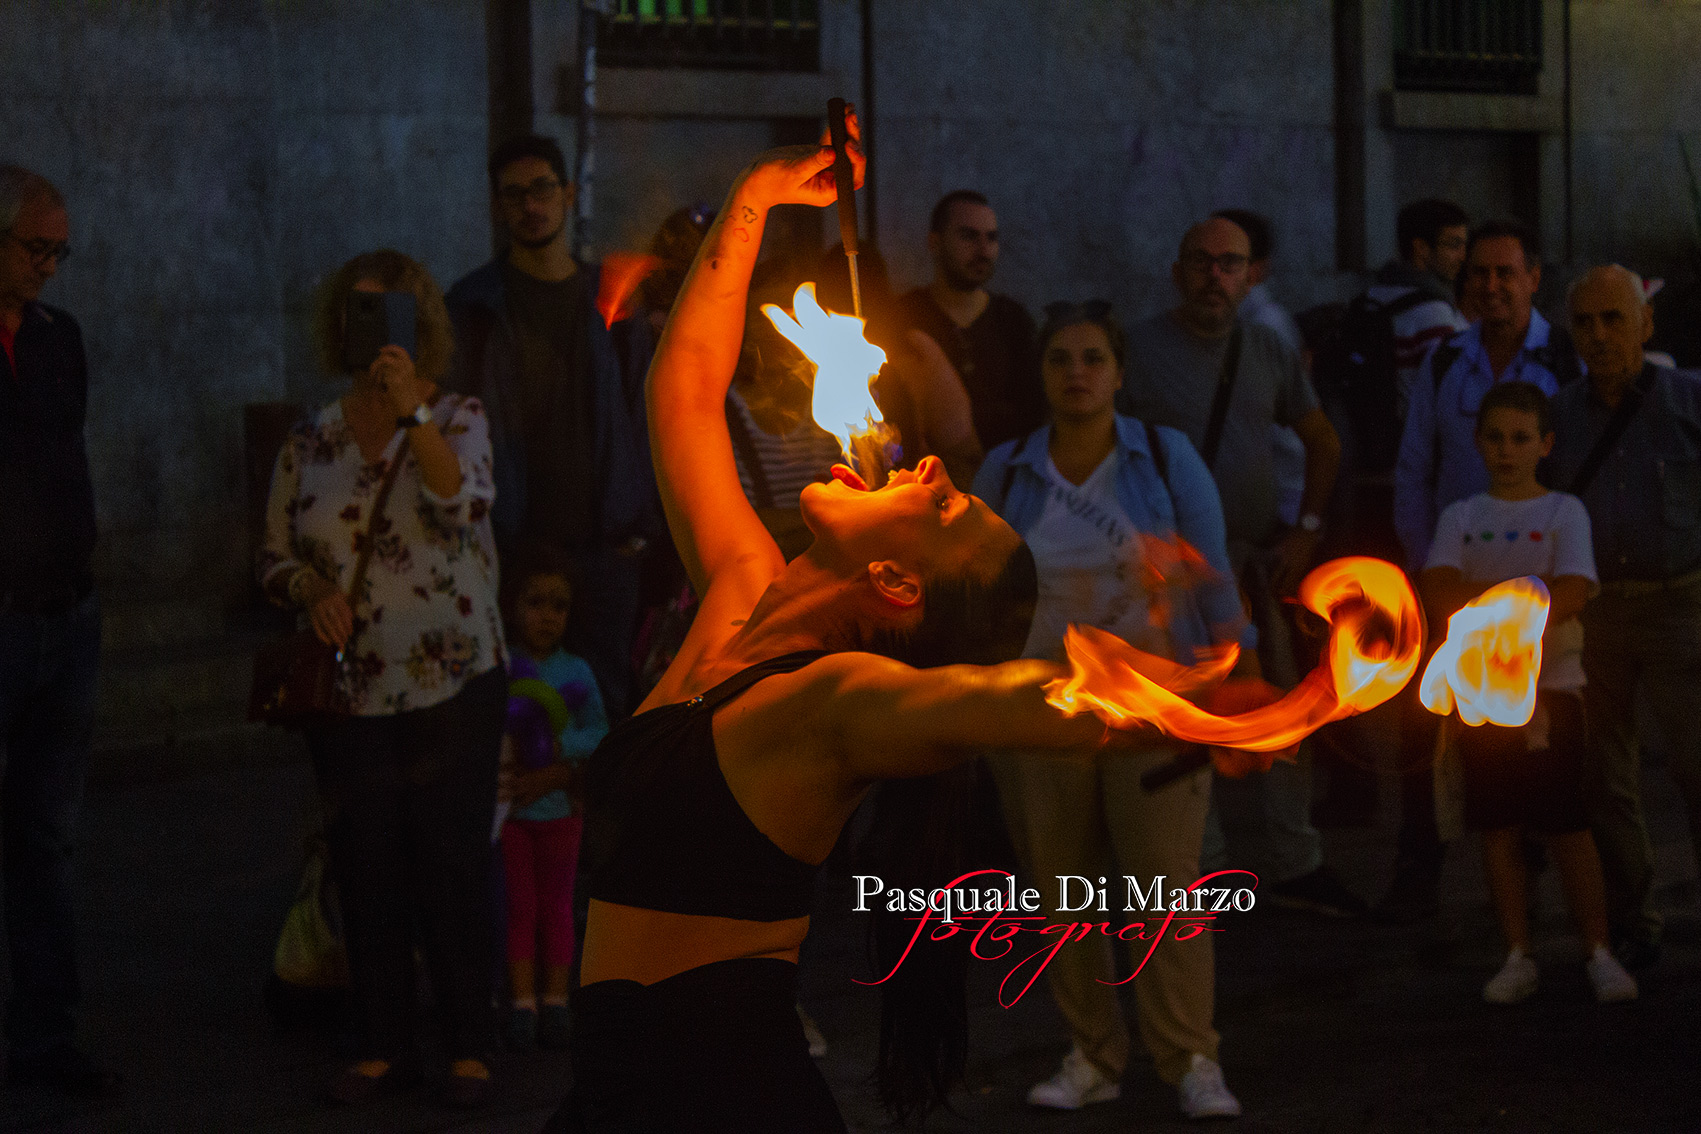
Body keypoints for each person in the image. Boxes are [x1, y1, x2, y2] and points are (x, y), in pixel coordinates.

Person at [549, 125, 1273, 1133]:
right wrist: (758, 199)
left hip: (720, 1099)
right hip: (617, 1090)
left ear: (892, 584)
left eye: (940, 509)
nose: (931, 468)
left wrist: (1228, 704)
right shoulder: (740, 593)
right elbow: (680, 394)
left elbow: (996, 698)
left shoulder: (835, 699)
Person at [975, 301, 1257, 1120]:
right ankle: (1091, 1053)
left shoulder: (1164, 461)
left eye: (1092, 357)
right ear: (1040, 374)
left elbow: (1212, 579)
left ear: (1119, 372)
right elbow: (971, 589)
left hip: (1151, 705)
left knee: (1163, 890)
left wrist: (1240, 675)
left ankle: (1189, 1057)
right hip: (1037, 706)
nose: (1076, 372)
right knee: (1063, 890)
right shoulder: (1005, 472)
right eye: (1060, 358)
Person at [259, 250, 506, 1108]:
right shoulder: (311, 435)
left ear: (422, 324)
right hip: (352, 686)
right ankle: (384, 1042)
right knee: (365, 860)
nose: (377, 331)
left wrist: (413, 414)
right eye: (363, 313)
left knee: (449, 857)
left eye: (394, 314)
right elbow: (272, 553)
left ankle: (471, 1043)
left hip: (453, 677)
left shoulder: (459, 417)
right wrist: (307, 588)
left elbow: (460, 503)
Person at [1119, 216, 1356, 918]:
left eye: (1229, 263)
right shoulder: (1135, 351)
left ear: (1251, 273)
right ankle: (1204, 867)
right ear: (1176, 270)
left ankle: (1293, 856)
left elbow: (1323, 442)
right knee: (1182, 715)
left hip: (1253, 564)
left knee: (1284, 708)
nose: (1213, 276)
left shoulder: (1267, 350)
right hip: (1164, 574)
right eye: (1199, 261)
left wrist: (1306, 533)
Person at [1419, 382, 1636, 1004]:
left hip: (1554, 693)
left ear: (1546, 444)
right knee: (1498, 824)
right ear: (1478, 441)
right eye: (1494, 437)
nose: (1506, 451)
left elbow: (1573, 588)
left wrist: (1492, 612)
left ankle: (1598, 949)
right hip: (1479, 703)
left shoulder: (1564, 511)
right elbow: (1439, 584)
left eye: (1520, 438)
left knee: (1567, 823)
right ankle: (1518, 953)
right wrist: (1510, 604)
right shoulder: (1461, 515)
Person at [1383, 219, 1567, 922]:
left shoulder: (1564, 359)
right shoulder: (1443, 361)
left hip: (1535, 585)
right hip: (1451, 580)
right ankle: (1416, 871)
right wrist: (1423, 570)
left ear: (1532, 279)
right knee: (1423, 726)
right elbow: (1413, 469)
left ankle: (1530, 871)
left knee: (1535, 730)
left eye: (1504, 273)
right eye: (1478, 275)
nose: (1490, 287)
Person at [446, 134, 662, 718]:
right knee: (520, 709)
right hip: (515, 541)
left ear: (567, 194)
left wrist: (641, 523)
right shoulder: (472, 307)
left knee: (610, 706)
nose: (529, 205)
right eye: (513, 195)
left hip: (607, 542)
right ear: (497, 207)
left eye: (542, 189)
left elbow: (648, 413)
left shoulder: (612, 299)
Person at [0, 166, 119, 1098]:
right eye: (34, 248)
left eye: (58, 250)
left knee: (46, 836)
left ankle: (46, 1033)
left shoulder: (55, 339)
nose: (49, 266)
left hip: (61, 616)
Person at [1547, 264, 1701, 972]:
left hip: (1681, 606)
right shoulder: (1557, 419)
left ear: (1646, 324)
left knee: (1695, 768)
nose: (1599, 335)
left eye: (1614, 319)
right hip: (1595, 614)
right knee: (1602, 774)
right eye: (1585, 322)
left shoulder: (1689, 401)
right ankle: (1631, 919)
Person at [497, 546, 609, 1050]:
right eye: (535, 602)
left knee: (558, 906)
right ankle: (523, 1001)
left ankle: (556, 998)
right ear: (513, 606)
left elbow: (600, 732)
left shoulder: (578, 673)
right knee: (519, 906)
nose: (546, 615)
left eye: (558, 605)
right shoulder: (503, 670)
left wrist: (561, 753)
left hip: (561, 812)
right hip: (513, 815)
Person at [898, 190, 1044, 453]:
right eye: (968, 236)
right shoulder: (904, 317)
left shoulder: (1013, 322)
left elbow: (1034, 415)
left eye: (992, 238)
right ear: (935, 242)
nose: (983, 250)